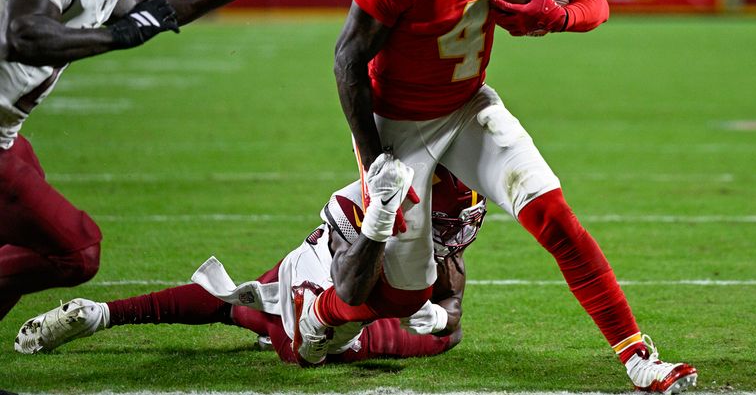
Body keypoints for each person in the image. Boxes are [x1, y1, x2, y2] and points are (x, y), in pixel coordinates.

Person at [324, 0, 697, 393]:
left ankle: (639, 358)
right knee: (404, 292)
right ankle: (314, 309)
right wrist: (375, 160)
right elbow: (347, 60)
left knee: (554, 215)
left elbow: (593, 0)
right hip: (398, 124)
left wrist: (555, 17)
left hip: (468, 106)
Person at [0, 0, 277, 322]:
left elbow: (148, 12)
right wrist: (116, 37)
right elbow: (24, 32)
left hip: (8, 133)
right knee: (76, 251)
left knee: (30, 219)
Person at [14, 166, 486, 365]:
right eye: (440, 222)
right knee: (309, 347)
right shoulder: (367, 199)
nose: (447, 234)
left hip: (334, 293)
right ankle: (283, 319)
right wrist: (380, 229)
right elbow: (350, 285)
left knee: (450, 336)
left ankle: (100, 314)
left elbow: (453, 302)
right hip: (323, 278)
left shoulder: (456, 214)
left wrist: (439, 316)